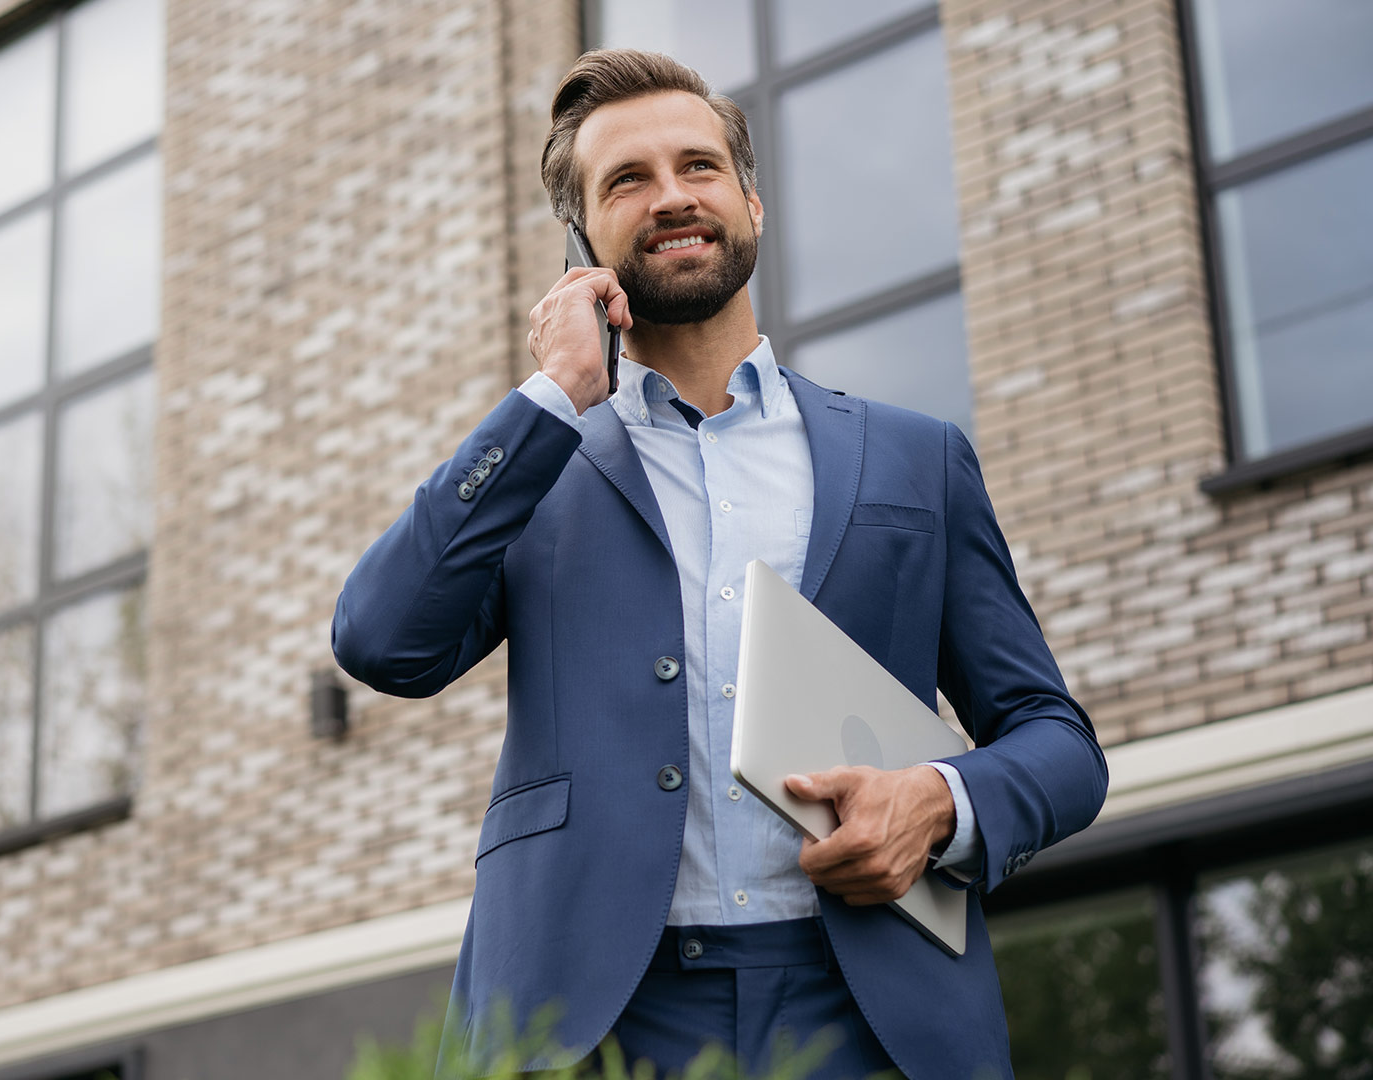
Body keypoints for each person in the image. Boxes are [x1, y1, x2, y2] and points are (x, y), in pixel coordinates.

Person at [332, 49, 1107, 1080]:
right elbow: (382, 641)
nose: (672, 198)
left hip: (870, 1016)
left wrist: (937, 800)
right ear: (583, 241)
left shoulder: (915, 459)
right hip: (596, 1021)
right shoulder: (539, 466)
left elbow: (1059, 745)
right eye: (627, 181)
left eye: (697, 167)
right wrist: (553, 398)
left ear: (749, 198)